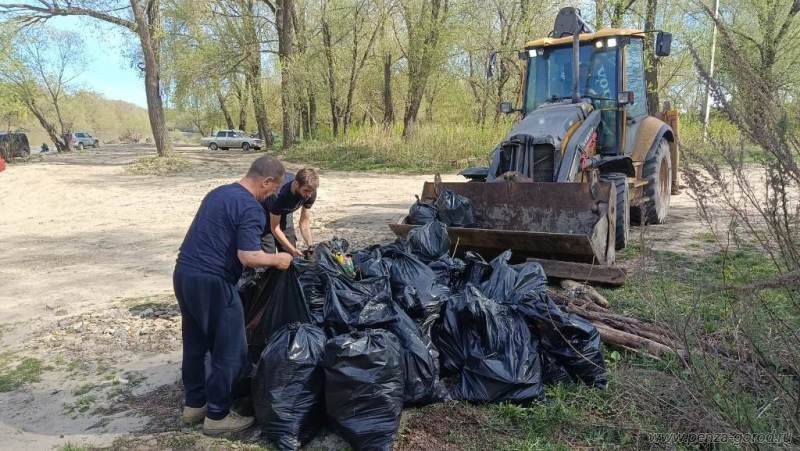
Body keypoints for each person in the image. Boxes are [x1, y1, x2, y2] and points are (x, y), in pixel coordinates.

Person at [173, 155, 293, 435]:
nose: (273, 195)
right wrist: (279, 259)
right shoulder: (251, 208)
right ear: (266, 181)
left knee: (195, 342)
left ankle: (194, 406)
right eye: (274, 188)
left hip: (184, 275)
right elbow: (248, 256)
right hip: (213, 282)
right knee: (230, 349)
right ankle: (217, 416)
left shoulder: (218, 193)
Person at [261, 168, 319, 257]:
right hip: (262, 210)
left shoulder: (310, 191)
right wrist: (292, 250)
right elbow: (275, 228)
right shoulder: (278, 196)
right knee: (268, 256)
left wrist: (311, 246)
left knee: (289, 255)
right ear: (296, 184)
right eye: (306, 191)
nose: (308, 195)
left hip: (283, 209)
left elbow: (304, 222)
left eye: (311, 192)